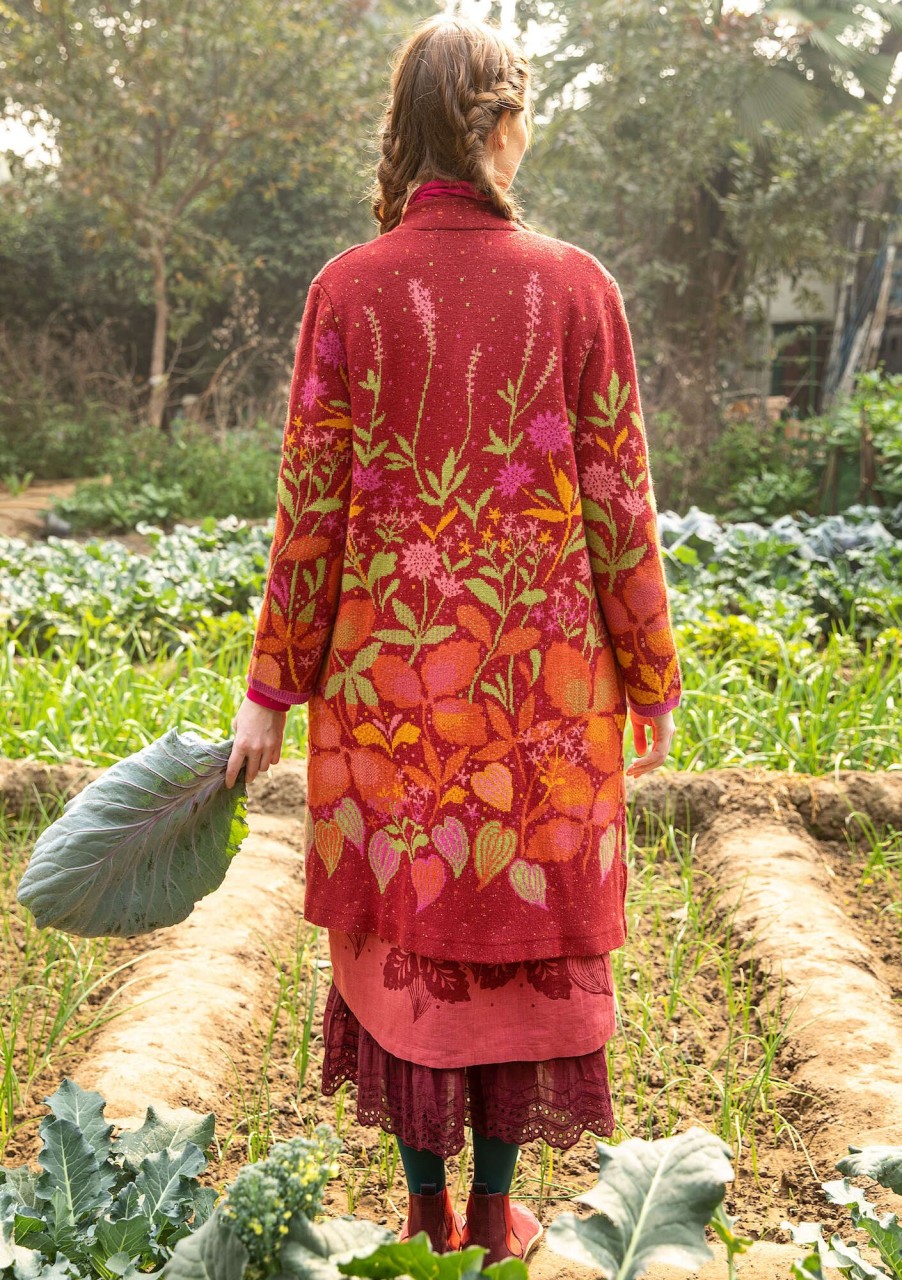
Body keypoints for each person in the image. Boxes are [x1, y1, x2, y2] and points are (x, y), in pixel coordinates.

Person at [226, 12, 681, 1265]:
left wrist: (273, 687)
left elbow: (308, 510)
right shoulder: (577, 287)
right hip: (544, 694)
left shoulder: (346, 289)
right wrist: (647, 674)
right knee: (513, 934)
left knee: (411, 935)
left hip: (389, 692)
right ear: (496, 122)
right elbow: (617, 503)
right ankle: (490, 1209)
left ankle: (422, 1211)